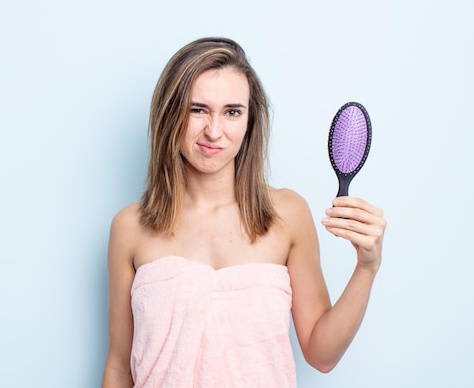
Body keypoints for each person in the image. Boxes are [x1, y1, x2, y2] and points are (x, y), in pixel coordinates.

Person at [101, 37, 386, 388]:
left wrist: (366, 268)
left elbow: (321, 355)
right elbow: (118, 366)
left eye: (232, 111)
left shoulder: (288, 214)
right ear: (170, 113)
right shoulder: (130, 227)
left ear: (250, 121)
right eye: (197, 109)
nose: (214, 131)